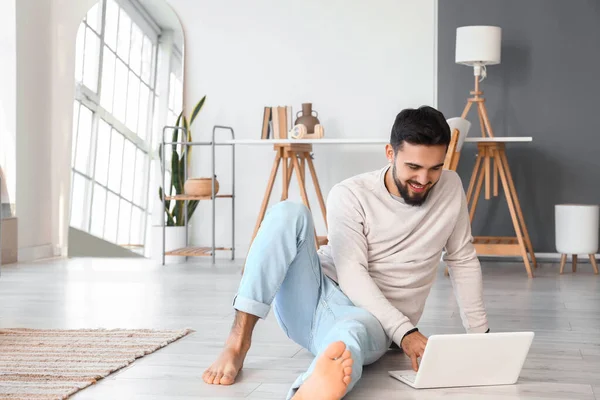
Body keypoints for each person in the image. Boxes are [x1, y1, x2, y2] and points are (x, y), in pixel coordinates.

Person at [202, 106, 489, 399]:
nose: (423, 180)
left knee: (350, 332)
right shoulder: (350, 194)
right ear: (390, 154)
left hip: (373, 319)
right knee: (288, 212)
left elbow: (462, 259)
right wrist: (407, 333)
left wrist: (481, 338)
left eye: (435, 168)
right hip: (313, 296)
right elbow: (351, 274)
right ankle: (237, 343)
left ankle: (308, 389)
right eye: (413, 167)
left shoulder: (451, 187)